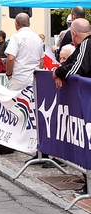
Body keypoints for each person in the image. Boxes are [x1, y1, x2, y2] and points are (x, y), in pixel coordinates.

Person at [52, 18, 91, 195]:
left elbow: (75, 68)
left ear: (74, 34)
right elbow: (71, 62)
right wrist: (60, 71)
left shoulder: (86, 44)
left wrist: (58, 72)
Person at [4, 13, 44, 91]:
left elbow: (11, 58)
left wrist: (9, 74)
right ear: (29, 24)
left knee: (13, 102)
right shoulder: (38, 38)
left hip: (19, 78)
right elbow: (41, 60)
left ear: (16, 24)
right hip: (33, 79)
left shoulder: (16, 37)